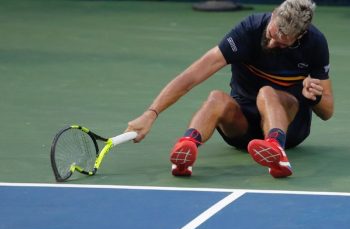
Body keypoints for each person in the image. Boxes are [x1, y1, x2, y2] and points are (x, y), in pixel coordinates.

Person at [125, 0, 334, 178]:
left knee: (267, 92)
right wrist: (151, 113)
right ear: (273, 15)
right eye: (271, 34)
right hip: (242, 126)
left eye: (281, 44)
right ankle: (186, 149)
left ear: (300, 36)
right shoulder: (248, 30)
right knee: (216, 97)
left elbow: (328, 111)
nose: (271, 44)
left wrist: (313, 98)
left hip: (289, 126)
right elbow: (192, 76)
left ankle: (277, 152)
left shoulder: (315, 44)